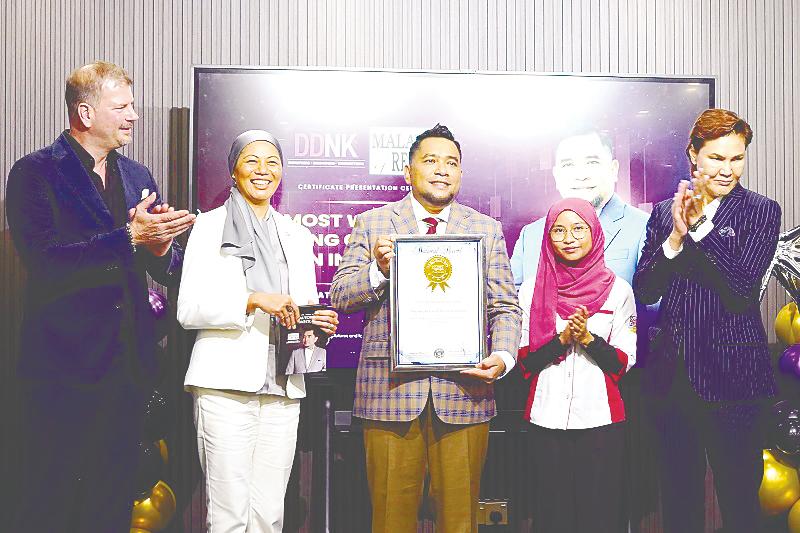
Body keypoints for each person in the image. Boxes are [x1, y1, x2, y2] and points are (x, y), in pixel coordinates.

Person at [5, 61, 195, 531]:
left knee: (112, 502)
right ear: (85, 113)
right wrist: (129, 237)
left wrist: (162, 246)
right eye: (122, 107)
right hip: (61, 372)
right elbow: (46, 261)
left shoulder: (137, 175)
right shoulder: (34, 173)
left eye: (132, 105)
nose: (134, 116)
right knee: (52, 501)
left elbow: (165, 270)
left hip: (128, 371)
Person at [330, 124, 522, 533]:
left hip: (465, 394)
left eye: (451, 163)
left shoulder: (485, 229)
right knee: (390, 519)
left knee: (460, 521)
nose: (441, 170)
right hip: (389, 393)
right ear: (408, 170)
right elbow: (342, 296)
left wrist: (503, 357)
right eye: (430, 160)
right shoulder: (374, 223)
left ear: (461, 174)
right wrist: (379, 272)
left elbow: (505, 306)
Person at [177, 130, 338, 533]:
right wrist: (251, 300)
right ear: (234, 171)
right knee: (229, 514)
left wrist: (318, 325)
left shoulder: (297, 236)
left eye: (272, 162)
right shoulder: (209, 227)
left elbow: (297, 310)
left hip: (284, 387)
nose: (262, 171)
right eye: (252, 161)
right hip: (225, 386)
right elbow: (188, 310)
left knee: (269, 514)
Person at [633, 108, 781, 533]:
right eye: (717, 158)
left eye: (737, 158)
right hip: (671, 381)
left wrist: (699, 226)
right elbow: (645, 290)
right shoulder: (664, 213)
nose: (727, 169)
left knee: (740, 503)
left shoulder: (761, 211)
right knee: (679, 503)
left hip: (735, 381)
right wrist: (676, 237)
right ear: (693, 155)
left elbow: (742, 290)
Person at [518, 198, 636, 533]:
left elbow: (624, 363)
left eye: (578, 228)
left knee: (600, 517)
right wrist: (562, 340)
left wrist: (587, 339)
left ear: (594, 232)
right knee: (551, 517)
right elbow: (525, 360)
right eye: (558, 230)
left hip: (601, 422)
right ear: (547, 236)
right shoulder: (531, 290)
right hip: (546, 419)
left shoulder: (618, 291)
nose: (568, 237)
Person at [510, 129, 650, 287]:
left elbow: (655, 304)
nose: (581, 175)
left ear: (613, 169)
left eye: (592, 162)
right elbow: (511, 302)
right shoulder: (531, 234)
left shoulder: (645, 226)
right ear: (556, 175)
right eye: (568, 164)